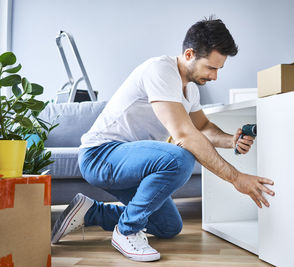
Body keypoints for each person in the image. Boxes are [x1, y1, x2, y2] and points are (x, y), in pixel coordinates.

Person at [51, 16, 275, 262]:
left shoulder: (190, 89)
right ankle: (126, 232)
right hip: (100, 155)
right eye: (211, 68)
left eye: (219, 69)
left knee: (169, 226)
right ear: (189, 54)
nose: (215, 77)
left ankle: (91, 212)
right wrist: (236, 178)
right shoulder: (160, 70)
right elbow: (185, 135)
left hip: (132, 164)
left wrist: (230, 140)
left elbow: (203, 127)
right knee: (180, 158)